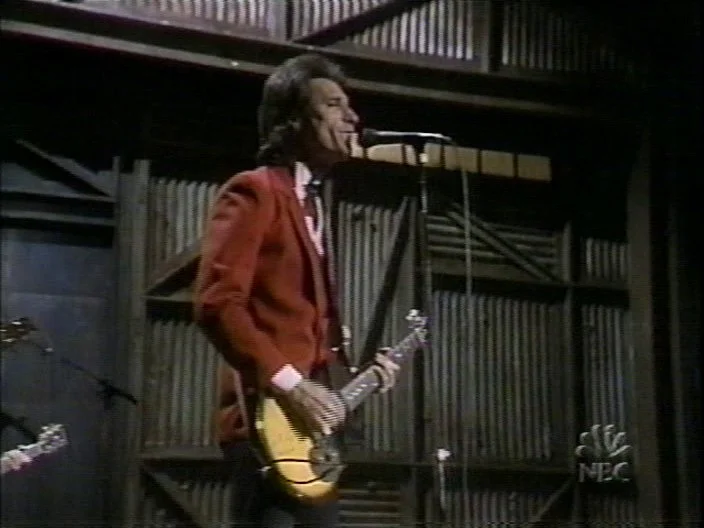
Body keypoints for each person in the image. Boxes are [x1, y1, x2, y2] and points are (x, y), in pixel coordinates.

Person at [193, 53, 401, 528]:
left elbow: (307, 331)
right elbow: (217, 303)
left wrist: (363, 373)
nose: (353, 117)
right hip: (266, 423)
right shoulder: (255, 191)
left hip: (310, 435)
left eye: (349, 105)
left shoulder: (316, 206)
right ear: (290, 123)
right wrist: (293, 386)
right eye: (333, 105)